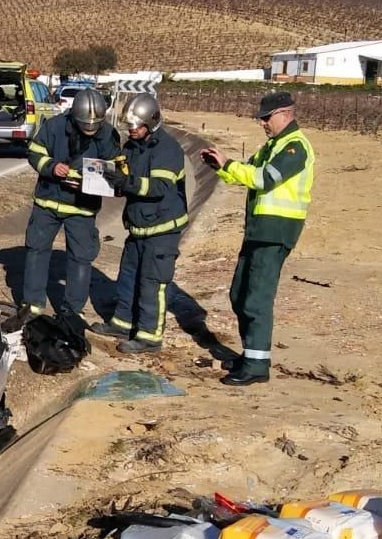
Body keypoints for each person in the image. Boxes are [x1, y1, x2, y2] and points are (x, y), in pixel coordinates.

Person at [200, 90, 317, 386]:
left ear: (283, 114)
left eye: (266, 118)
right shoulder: (273, 145)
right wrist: (221, 168)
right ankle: (252, 354)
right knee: (239, 294)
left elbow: (265, 178)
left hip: (276, 231)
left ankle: (256, 365)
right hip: (259, 230)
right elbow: (249, 171)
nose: (262, 123)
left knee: (257, 298)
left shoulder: (295, 147)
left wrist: (229, 166)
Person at [91, 93, 188, 354]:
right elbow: (127, 178)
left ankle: (149, 336)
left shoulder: (167, 149)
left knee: (152, 282)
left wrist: (128, 184)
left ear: (151, 123)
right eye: (128, 127)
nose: (130, 132)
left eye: (135, 127)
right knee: (128, 277)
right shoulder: (133, 147)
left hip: (162, 229)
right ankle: (123, 323)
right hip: (139, 226)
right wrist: (113, 183)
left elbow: (159, 187)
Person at [20, 88, 120, 319]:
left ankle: (72, 311)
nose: (90, 131)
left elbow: (116, 170)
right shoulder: (54, 126)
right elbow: (34, 152)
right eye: (85, 126)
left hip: (82, 208)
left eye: (94, 127)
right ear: (74, 117)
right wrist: (52, 167)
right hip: (48, 202)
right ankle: (32, 305)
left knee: (81, 258)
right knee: (36, 250)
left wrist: (89, 181)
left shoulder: (108, 135)